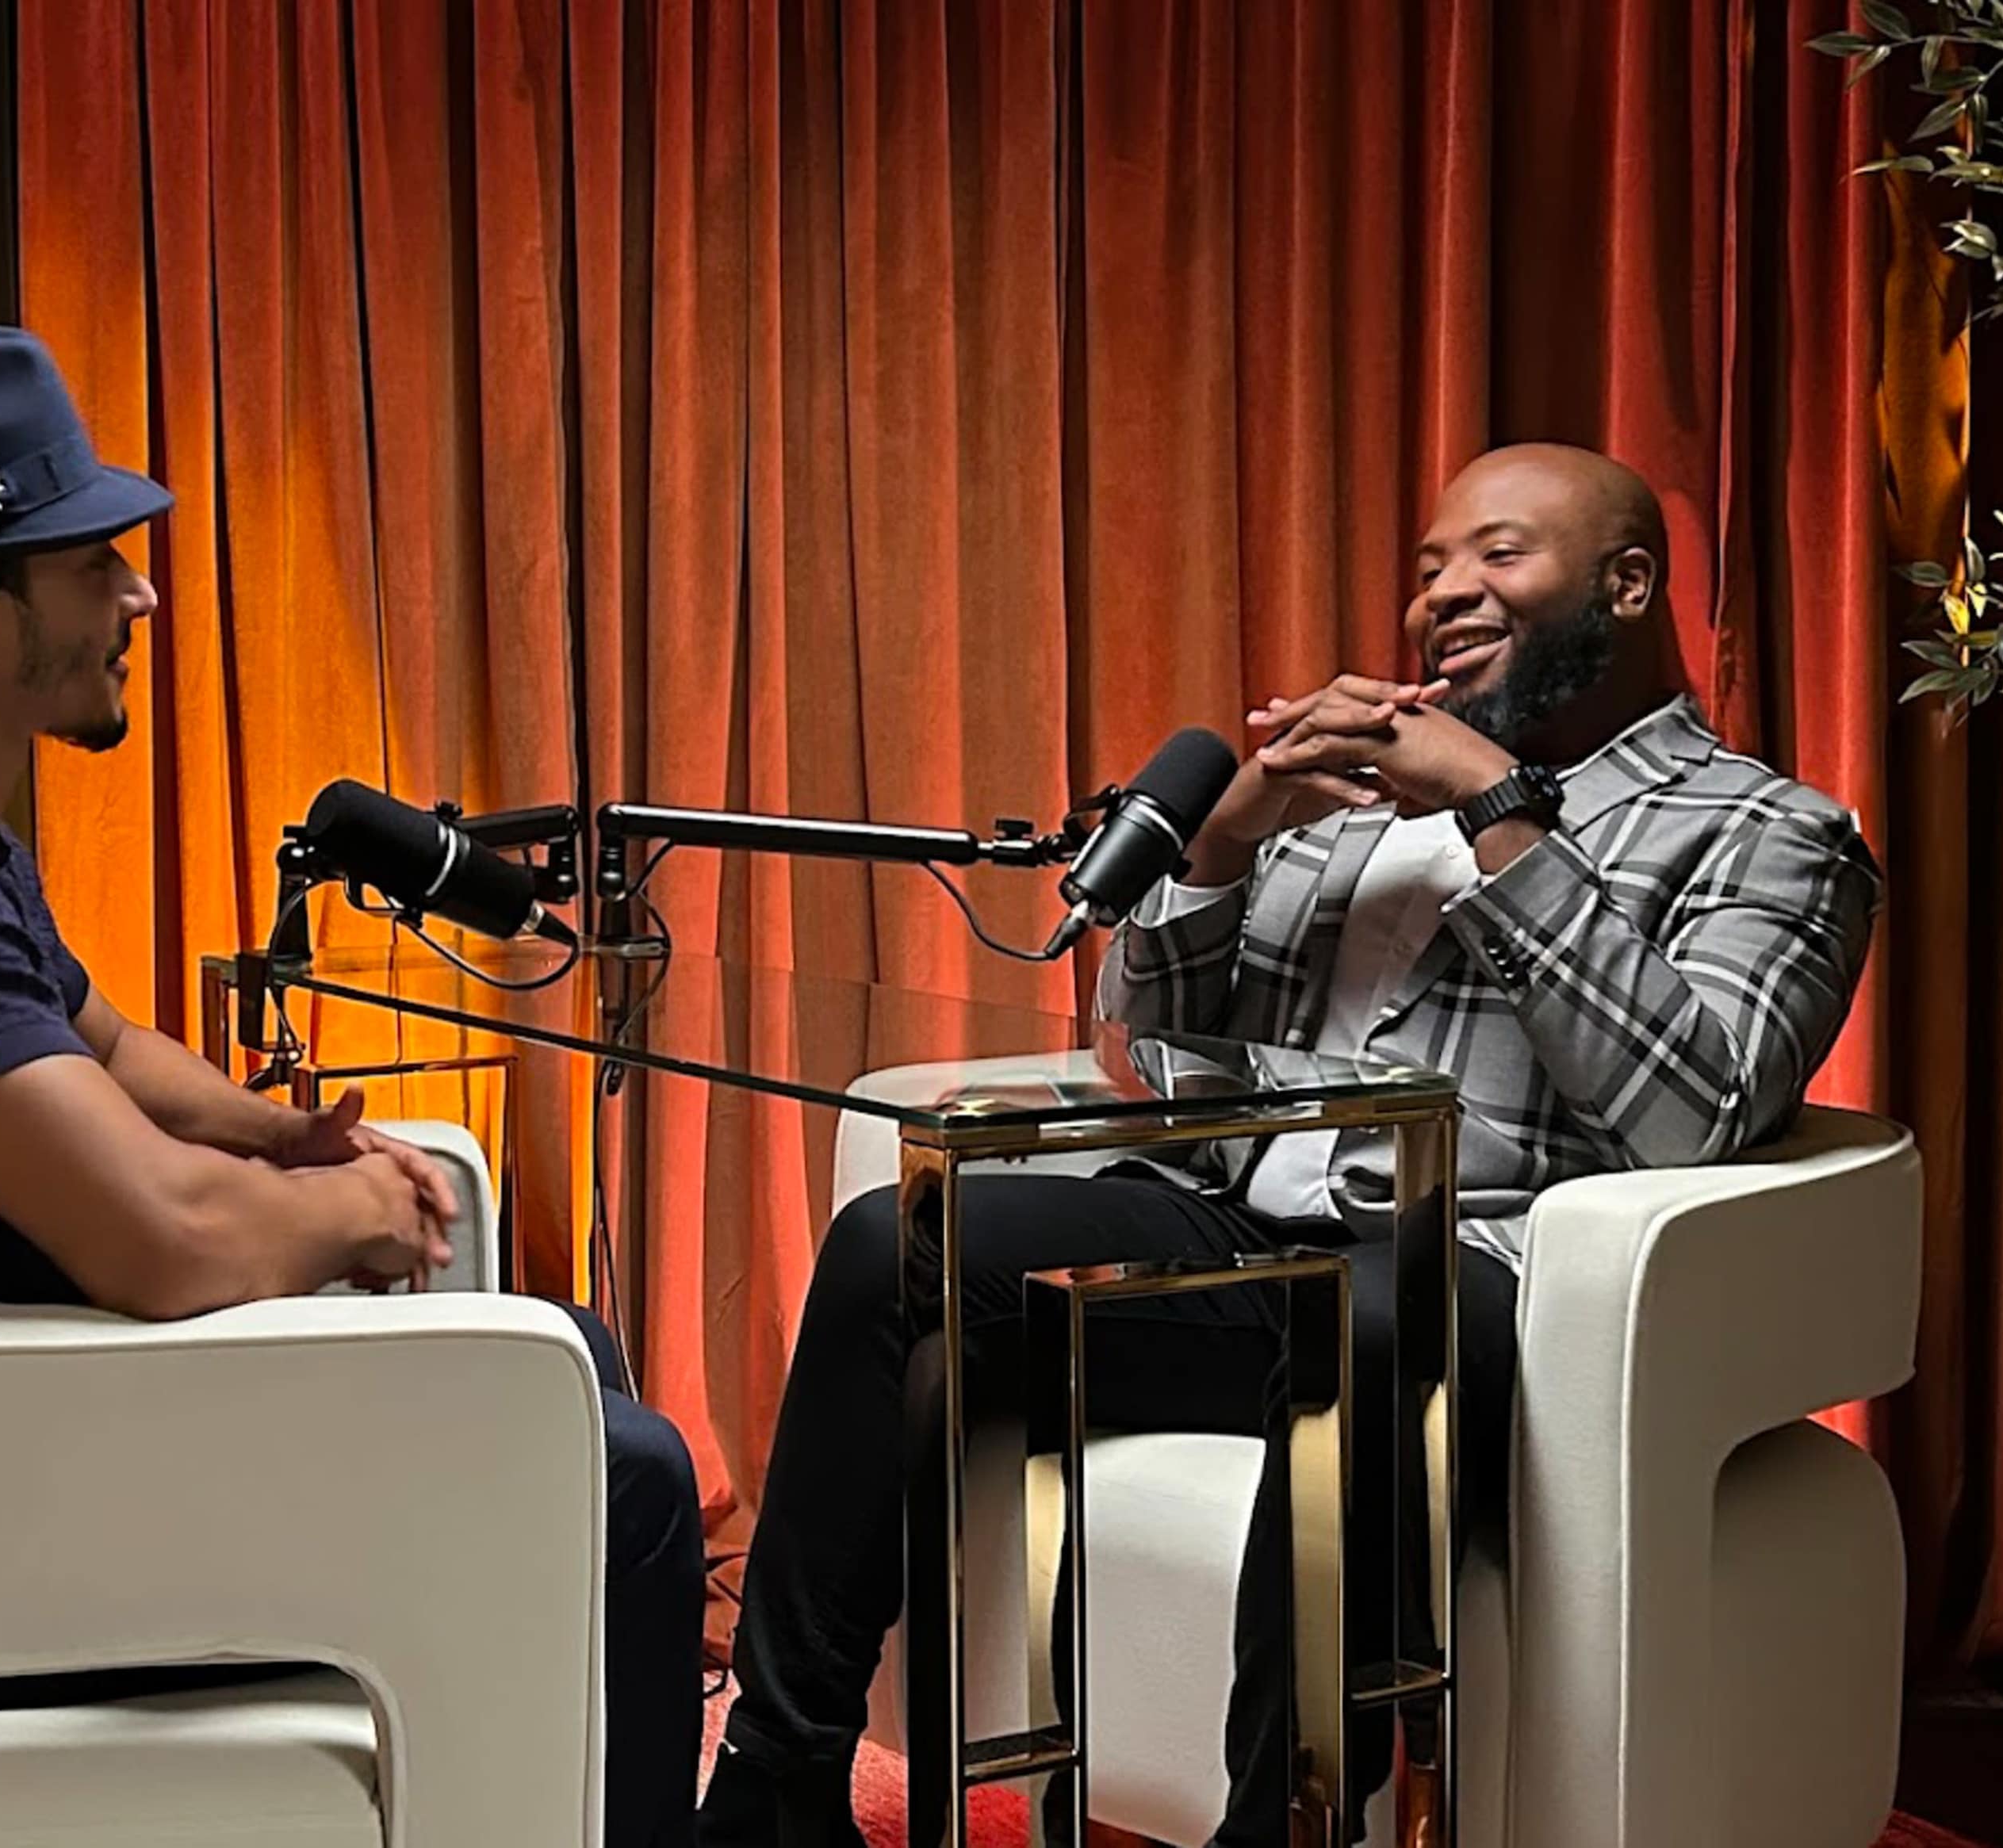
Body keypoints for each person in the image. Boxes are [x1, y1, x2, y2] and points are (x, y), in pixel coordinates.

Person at [699, 443, 1884, 1847]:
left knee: (1367, 1322)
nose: (1444, 594)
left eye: (1498, 557)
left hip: (1486, 1275)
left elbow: (1697, 1114)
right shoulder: (1348, 815)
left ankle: (1285, 1828)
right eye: (1433, 567)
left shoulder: (1769, 830)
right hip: (1239, 1240)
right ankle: (772, 1789)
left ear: (1626, 586)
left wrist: (1498, 811)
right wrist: (1228, 840)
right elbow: (1144, 1063)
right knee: (903, 1235)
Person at [0, 325, 704, 1848]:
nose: (140, 594)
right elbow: (161, 1240)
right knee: (623, 1476)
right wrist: (355, 1207)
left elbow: (93, 1040)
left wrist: (275, 1132)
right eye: (95, 566)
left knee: (568, 1348)